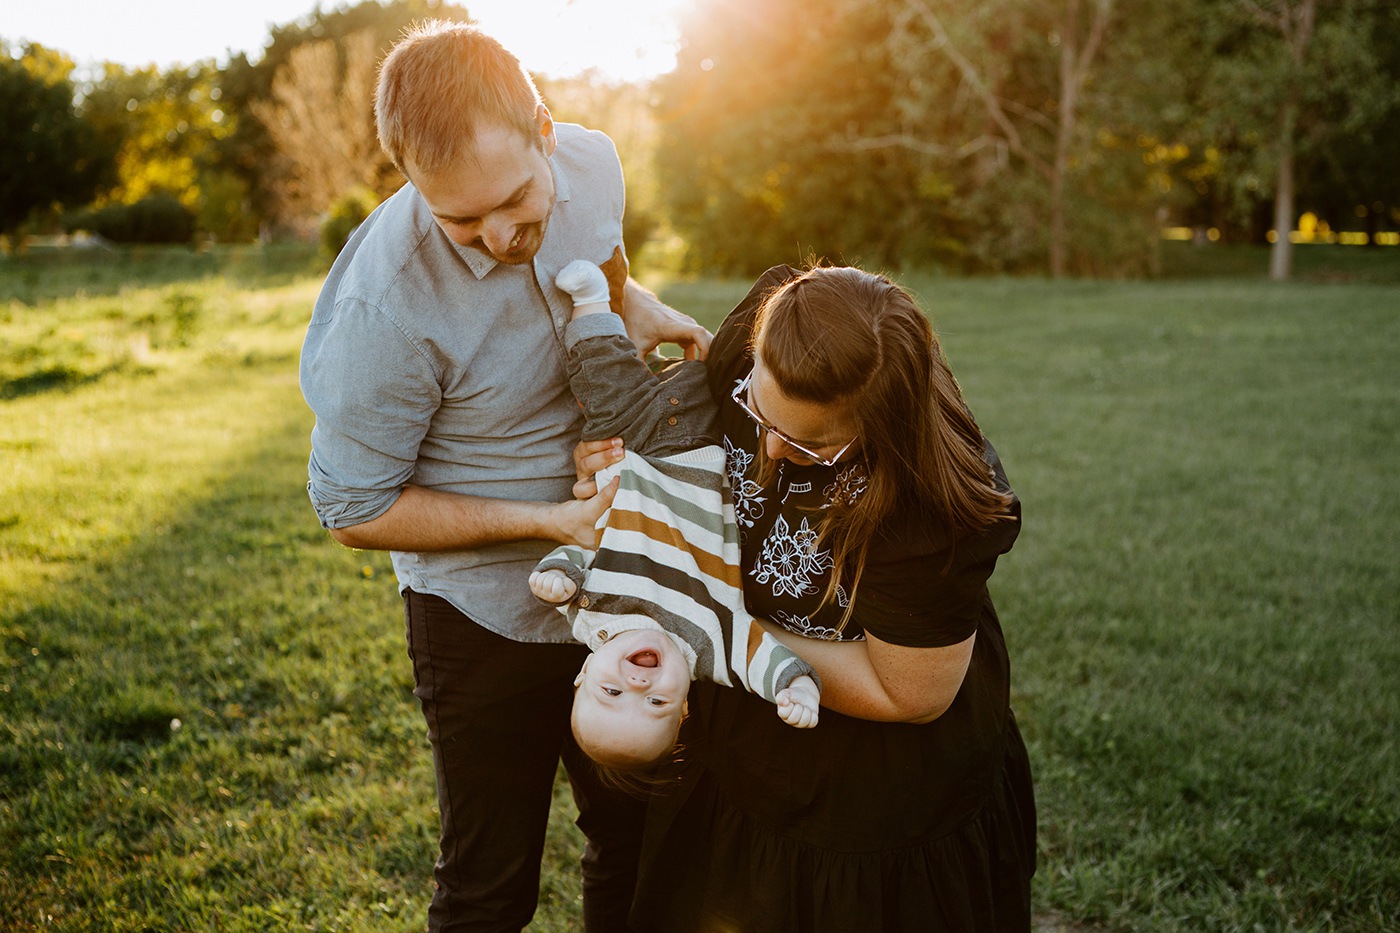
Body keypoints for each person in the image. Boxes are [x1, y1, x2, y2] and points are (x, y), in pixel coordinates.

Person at [298, 21, 709, 933]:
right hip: (480, 615)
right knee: (490, 888)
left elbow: (600, 259)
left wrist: (633, 304)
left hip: (629, 582)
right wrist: (554, 521)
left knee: (643, 847)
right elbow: (352, 509)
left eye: (516, 199)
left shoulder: (594, 165)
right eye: (457, 218)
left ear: (545, 127)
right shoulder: (383, 311)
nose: (493, 238)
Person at [574, 264, 1037, 931]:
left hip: (875, 786)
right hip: (750, 738)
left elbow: (907, 693)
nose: (767, 447)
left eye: (808, 445)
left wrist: (711, 624)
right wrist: (626, 461)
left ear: (882, 429)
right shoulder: (770, 338)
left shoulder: (932, 505)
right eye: (759, 410)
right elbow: (690, 418)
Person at [530, 261, 821, 770]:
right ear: (685, 701)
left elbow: (578, 558)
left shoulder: (591, 616)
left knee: (605, 385)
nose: (637, 684)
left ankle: (594, 305)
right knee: (705, 374)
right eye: (656, 704)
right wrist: (794, 685)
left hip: (626, 450)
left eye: (611, 692)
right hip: (700, 450)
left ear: (584, 673)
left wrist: (555, 574)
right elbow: (760, 657)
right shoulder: (710, 645)